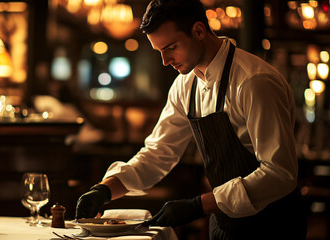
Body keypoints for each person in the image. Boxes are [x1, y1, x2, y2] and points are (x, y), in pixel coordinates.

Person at [75, 0, 307, 239]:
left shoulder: (253, 81)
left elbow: (280, 173)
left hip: (274, 226)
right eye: (159, 52)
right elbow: (158, 153)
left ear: (198, 31)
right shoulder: (185, 85)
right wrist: (105, 189)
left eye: (171, 47)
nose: (165, 61)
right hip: (224, 226)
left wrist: (198, 205)